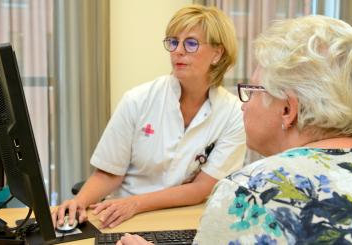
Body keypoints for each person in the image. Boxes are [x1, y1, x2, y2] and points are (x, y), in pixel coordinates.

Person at [117, 15, 352, 245]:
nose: (244, 106)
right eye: (174, 42)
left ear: (288, 110)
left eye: (252, 91)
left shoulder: (253, 191)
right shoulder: (140, 98)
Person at [52, 4, 247, 229]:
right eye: (173, 42)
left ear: (217, 53)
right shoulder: (138, 100)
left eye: (191, 43)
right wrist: (78, 203)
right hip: (124, 217)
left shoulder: (233, 113)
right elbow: (109, 173)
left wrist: (135, 203)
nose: (178, 51)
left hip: (185, 218)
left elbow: (201, 189)